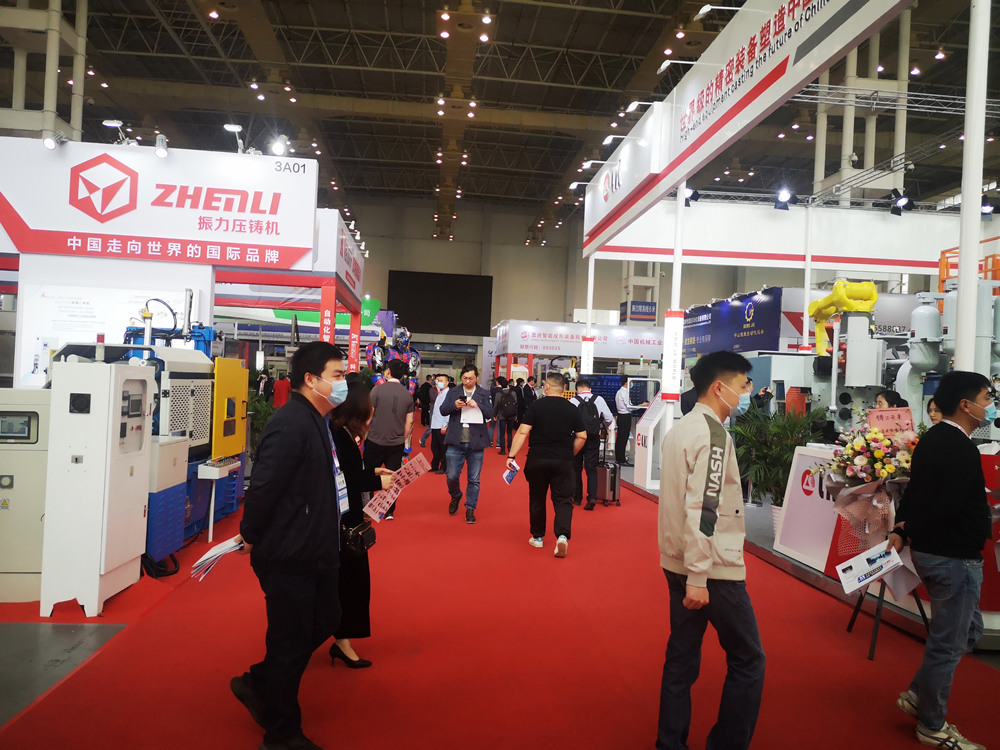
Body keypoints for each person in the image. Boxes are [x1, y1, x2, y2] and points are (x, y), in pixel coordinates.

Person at [231, 341, 349, 750]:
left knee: (327, 617)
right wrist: (251, 534)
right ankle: (281, 733)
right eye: (337, 376)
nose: (343, 383)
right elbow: (264, 487)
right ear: (311, 379)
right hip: (289, 552)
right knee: (289, 641)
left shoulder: (317, 419)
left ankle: (259, 683)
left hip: (316, 547)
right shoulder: (290, 422)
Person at [656, 350, 765, 750]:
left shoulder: (681, 429)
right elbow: (703, 507)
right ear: (719, 387)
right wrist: (699, 576)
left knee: (681, 658)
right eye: (742, 385)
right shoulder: (713, 435)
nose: (747, 392)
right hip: (711, 568)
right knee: (749, 659)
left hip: (678, 560)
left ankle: (670, 742)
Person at [888, 371, 992, 750]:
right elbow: (946, 505)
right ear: (966, 405)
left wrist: (903, 528)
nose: (989, 406)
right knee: (949, 643)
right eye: (986, 398)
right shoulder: (959, 447)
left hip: (938, 554)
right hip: (953, 558)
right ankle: (932, 725)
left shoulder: (934, 439)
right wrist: (909, 527)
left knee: (967, 632)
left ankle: (919, 693)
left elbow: (916, 493)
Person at [328, 374, 395, 670]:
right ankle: (339, 639)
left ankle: (342, 640)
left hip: (345, 521)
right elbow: (348, 479)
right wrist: (378, 482)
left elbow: (350, 474)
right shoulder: (339, 436)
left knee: (349, 584)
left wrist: (373, 473)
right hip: (344, 525)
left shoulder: (340, 433)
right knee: (350, 585)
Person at [506, 372, 586, 558]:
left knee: (537, 497)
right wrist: (570, 453)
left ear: (546, 387)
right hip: (563, 461)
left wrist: (511, 455)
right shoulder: (572, 409)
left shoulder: (536, 406)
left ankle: (538, 537)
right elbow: (582, 436)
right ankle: (562, 537)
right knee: (563, 499)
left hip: (538, 459)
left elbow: (523, 432)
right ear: (564, 389)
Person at [440, 364, 494, 524]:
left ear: (476, 378)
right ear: (461, 378)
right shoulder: (453, 391)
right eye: (464, 378)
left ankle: (470, 508)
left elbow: (491, 413)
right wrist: (454, 405)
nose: (468, 381)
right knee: (451, 476)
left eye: (470, 378)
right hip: (455, 439)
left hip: (476, 441)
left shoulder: (484, 393)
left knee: (474, 479)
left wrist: (479, 405)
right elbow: (443, 410)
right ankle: (456, 495)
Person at [364, 359, 414, 520]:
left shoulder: (377, 390)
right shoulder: (408, 395)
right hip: (396, 443)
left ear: (388, 372)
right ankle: (389, 510)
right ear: (403, 375)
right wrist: (402, 438)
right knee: (393, 476)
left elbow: (368, 415)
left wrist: (363, 434)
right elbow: (410, 421)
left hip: (375, 439)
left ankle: (368, 506)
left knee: (370, 473)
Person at [569, 378, 614, 511]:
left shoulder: (573, 401)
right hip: (593, 437)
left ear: (578, 389)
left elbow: (568, 420)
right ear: (590, 389)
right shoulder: (598, 399)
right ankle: (592, 497)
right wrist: (600, 426)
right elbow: (609, 418)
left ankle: (577, 498)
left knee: (576, 468)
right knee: (591, 468)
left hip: (578, 437)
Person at [428, 373, 450, 474]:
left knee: (443, 448)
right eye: (437, 380)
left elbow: (448, 411)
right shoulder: (440, 393)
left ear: (447, 382)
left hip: (442, 425)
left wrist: (445, 425)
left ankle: (444, 467)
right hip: (435, 424)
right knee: (434, 447)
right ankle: (435, 465)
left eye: (441, 381)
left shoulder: (448, 394)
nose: (438, 382)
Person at [493, 376, 519, 456]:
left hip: (502, 415)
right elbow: (516, 404)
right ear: (508, 385)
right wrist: (516, 415)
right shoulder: (513, 393)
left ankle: (503, 450)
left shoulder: (498, 394)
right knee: (510, 432)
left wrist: (494, 415)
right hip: (511, 415)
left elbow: (496, 405)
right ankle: (510, 448)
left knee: (502, 433)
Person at [416, 374, 433, 447]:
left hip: (423, 401)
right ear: (430, 379)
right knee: (426, 412)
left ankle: (423, 423)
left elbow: (419, 393)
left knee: (423, 412)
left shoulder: (423, 385)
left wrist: (420, 399)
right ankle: (426, 423)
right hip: (427, 402)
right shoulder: (429, 387)